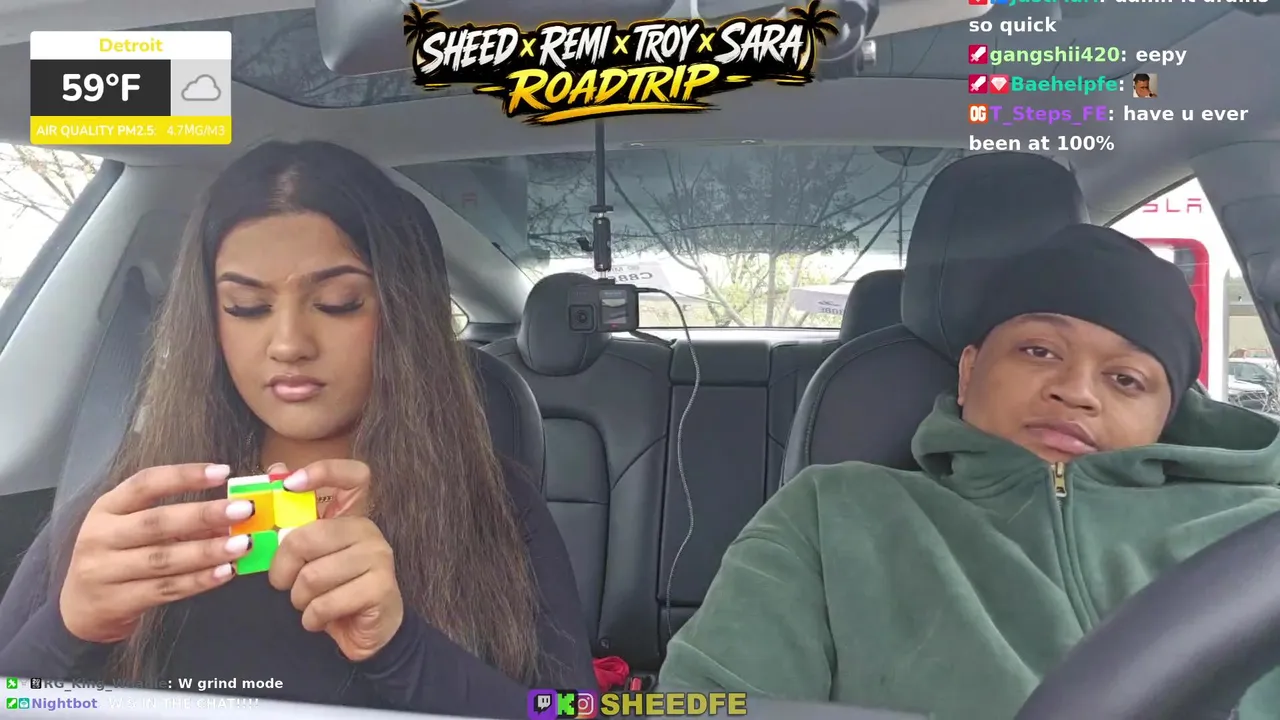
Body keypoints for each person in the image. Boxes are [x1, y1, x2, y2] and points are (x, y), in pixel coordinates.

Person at [0, 141, 595, 718]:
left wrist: (403, 652)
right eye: (246, 307)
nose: (288, 344)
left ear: (401, 315)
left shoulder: (494, 506)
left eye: (338, 302)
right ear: (210, 321)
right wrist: (68, 630)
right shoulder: (133, 513)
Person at [658, 224, 1280, 718]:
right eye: (1039, 350)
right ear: (968, 371)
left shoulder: (1259, 536)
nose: (1076, 391)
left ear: (1167, 416)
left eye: (1126, 379)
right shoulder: (833, 512)